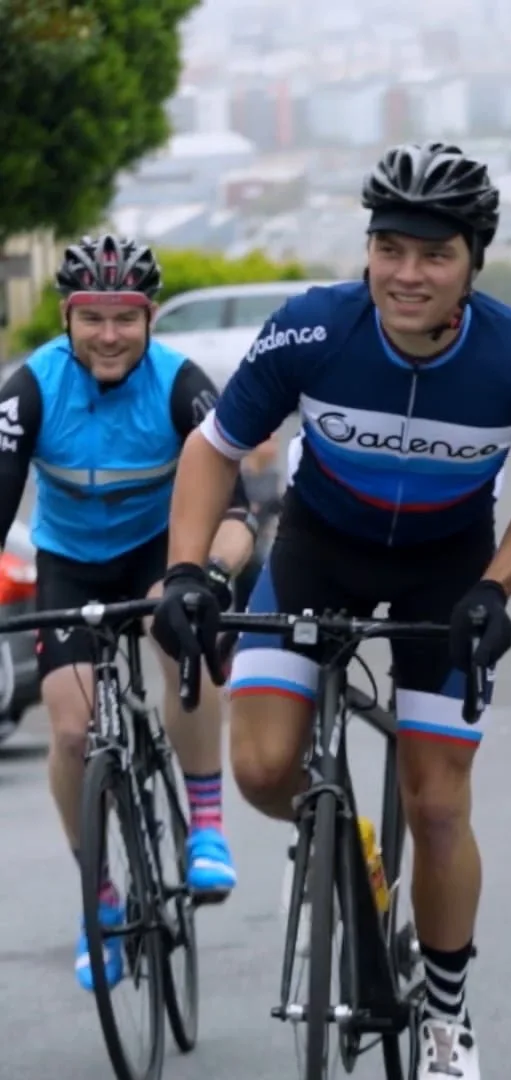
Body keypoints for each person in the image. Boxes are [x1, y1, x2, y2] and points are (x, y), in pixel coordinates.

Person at [152, 140, 511, 1080]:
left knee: (437, 805)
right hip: (320, 549)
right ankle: (343, 839)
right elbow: (215, 446)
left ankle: (446, 1012)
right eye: (390, 248)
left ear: (474, 261)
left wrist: (496, 588)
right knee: (263, 770)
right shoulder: (314, 330)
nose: (407, 273)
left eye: (435, 254)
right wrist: (186, 569)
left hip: (449, 567)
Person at [0, 235, 258, 991]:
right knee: (71, 730)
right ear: (66, 318)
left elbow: (238, 516)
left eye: (125, 318)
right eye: (92, 318)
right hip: (70, 563)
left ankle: (206, 824)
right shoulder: (30, 391)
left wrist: (210, 577)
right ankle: (101, 898)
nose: (109, 335)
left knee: (177, 634)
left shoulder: (182, 386)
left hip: (161, 551)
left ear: (150, 317)